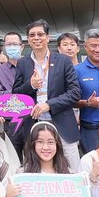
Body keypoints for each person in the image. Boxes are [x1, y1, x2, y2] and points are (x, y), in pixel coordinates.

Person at [12, 20, 82, 164]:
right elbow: (16, 95)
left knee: (72, 168)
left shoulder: (63, 61)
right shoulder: (23, 63)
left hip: (62, 123)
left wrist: (49, 104)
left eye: (40, 34)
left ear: (48, 37)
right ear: (28, 39)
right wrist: (30, 85)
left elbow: (75, 92)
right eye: (32, 35)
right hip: (33, 123)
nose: (36, 38)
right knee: (34, 168)